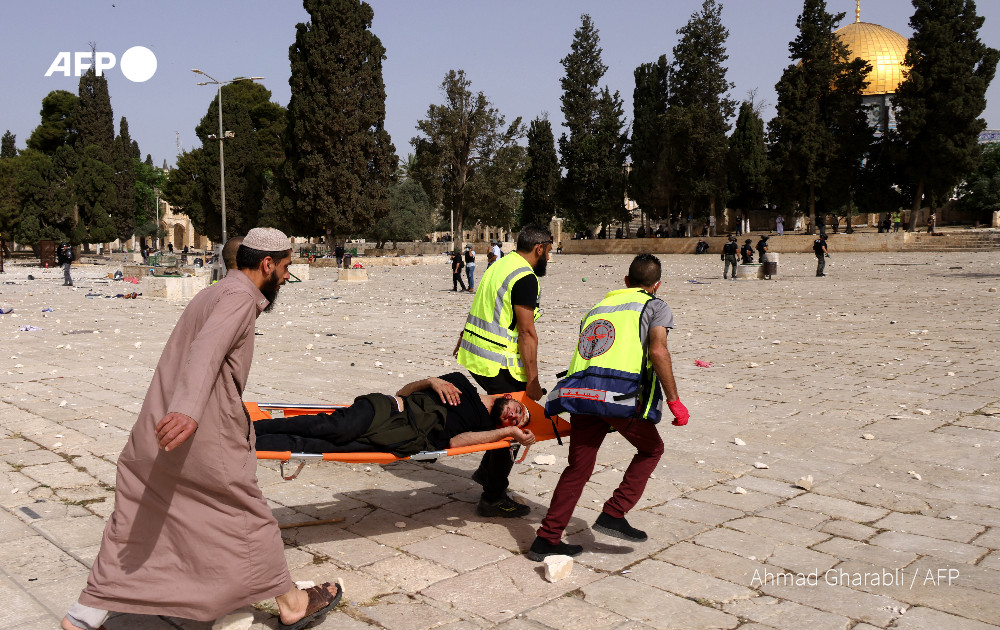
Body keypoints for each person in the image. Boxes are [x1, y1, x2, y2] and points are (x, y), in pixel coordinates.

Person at [62, 228, 342, 630]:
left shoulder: (215, 291)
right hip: (201, 432)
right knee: (247, 515)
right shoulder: (239, 298)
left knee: (140, 515)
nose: (285, 277)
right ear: (267, 264)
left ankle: (84, 615)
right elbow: (206, 350)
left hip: (158, 428)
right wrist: (189, 411)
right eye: (285, 268)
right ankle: (294, 603)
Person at [529, 254, 689, 560]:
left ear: (626, 281)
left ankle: (546, 538)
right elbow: (658, 349)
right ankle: (614, 513)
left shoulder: (597, 308)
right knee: (651, 450)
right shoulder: (654, 305)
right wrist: (674, 401)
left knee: (578, 468)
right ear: (656, 285)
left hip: (581, 395)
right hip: (618, 397)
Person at [454, 224, 552, 518]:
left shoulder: (501, 264)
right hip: (497, 361)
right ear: (539, 249)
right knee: (516, 422)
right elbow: (526, 332)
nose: (550, 256)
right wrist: (533, 381)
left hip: (476, 355)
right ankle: (492, 496)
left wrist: (462, 337)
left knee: (502, 416)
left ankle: (487, 472)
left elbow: (483, 306)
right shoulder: (524, 276)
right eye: (550, 251)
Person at [255, 373, 536, 455]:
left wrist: (509, 433)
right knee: (329, 428)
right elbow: (403, 392)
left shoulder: (484, 430)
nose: (513, 417)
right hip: (386, 411)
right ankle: (254, 427)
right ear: (509, 398)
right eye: (519, 411)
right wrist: (431, 382)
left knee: (315, 447)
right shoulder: (460, 382)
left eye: (515, 421)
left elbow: (454, 444)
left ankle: (249, 444)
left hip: (397, 440)